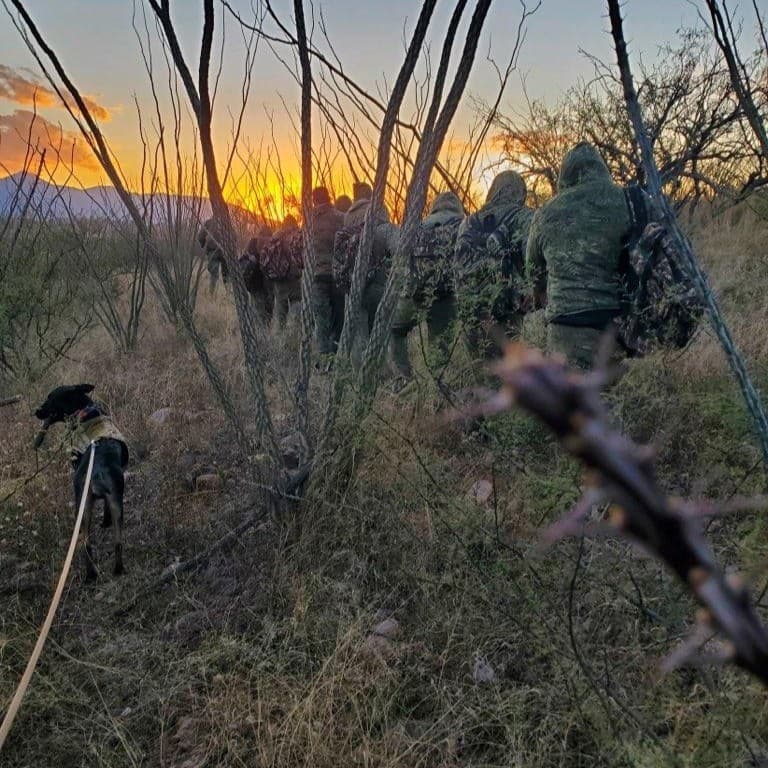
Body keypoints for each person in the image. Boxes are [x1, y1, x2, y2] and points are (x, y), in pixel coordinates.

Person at [525, 141, 641, 368]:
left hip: (565, 328)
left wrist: (541, 297)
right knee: (616, 399)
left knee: (572, 400)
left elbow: (533, 271)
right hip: (618, 328)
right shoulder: (630, 201)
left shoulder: (545, 214)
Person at [454, 170, 533, 358]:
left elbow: (457, 265)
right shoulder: (524, 217)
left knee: (481, 373)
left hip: (471, 311)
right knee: (508, 373)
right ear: (520, 192)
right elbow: (533, 260)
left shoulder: (467, 223)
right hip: (506, 312)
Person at [390, 190, 465, 381]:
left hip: (414, 292)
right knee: (439, 348)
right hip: (445, 295)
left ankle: (403, 376)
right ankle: (438, 386)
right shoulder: (463, 224)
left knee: (396, 329)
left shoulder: (419, 225)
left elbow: (401, 258)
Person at [333, 182, 399, 362]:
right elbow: (397, 249)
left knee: (358, 335)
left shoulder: (347, 221)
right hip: (378, 284)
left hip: (353, 286)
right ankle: (380, 372)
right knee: (379, 331)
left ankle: (357, 376)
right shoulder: (381, 219)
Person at [310, 186, 345, 356]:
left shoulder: (309, 220)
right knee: (339, 319)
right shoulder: (341, 218)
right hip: (338, 275)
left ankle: (323, 358)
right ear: (329, 197)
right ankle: (336, 355)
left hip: (317, 276)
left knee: (321, 320)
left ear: (314, 200)